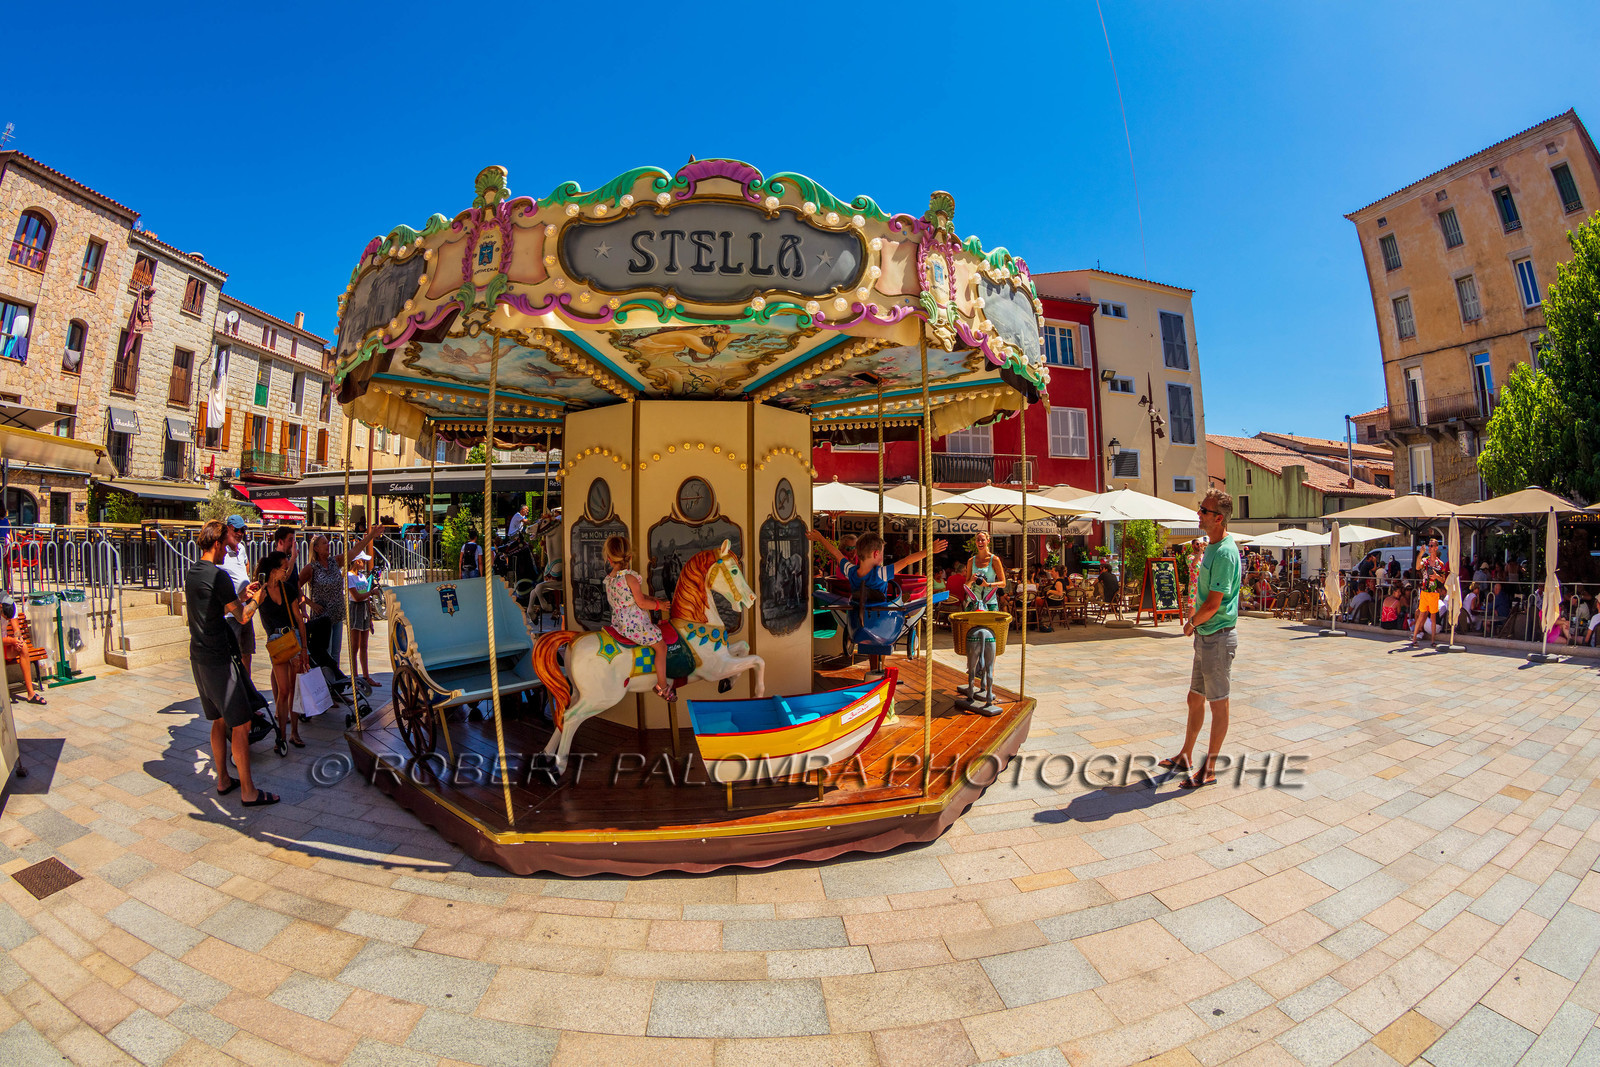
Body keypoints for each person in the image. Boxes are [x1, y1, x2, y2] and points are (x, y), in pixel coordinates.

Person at [186, 520, 276, 806]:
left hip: (199, 656)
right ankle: (249, 791)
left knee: (218, 720)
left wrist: (241, 597)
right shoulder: (218, 575)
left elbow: (219, 607)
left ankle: (223, 779)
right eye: (228, 545)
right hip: (220, 659)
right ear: (217, 544)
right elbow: (243, 617)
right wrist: (258, 598)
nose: (231, 551)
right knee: (241, 723)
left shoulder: (193, 573)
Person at [1161, 489, 1241, 790]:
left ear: (1218, 518)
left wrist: (1191, 622)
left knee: (1218, 703)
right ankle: (1185, 755)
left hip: (1217, 637)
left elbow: (1214, 605)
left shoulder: (1223, 553)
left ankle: (1209, 768)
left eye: (1204, 511)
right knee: (1195, 697)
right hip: (1207, 636)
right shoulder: (1211, 546)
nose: (1199, 514)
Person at [299, 524, 380, 674]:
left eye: (328, 542)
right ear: (315, 548)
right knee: (325, 653)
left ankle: (336, 687)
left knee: (335, 653)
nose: (328, 545)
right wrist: (309, 603)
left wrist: (370, 536)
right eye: (324, 543)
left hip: (337, 616)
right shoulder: (311, 568)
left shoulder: (334, 562)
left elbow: (354, 551)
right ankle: (327, 687)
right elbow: (295, 587)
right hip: (322, 618)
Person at [603, 534, 675, 700]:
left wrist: (653, 599)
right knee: (661, 647)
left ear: (609, 559)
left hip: (619, 623)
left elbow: (633, 596)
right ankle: (662, 686)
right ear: (630, 556)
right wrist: (660, 606)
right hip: (634, 624)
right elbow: (641, 603)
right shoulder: (631, 578)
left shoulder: (611, 579)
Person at [255, 551, 310, 752]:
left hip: (291, 638)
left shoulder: (288, 589)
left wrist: (304, 648)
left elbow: (299, 620)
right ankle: (282, 736)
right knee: (283, 690)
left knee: (294, 690)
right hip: (276, 643)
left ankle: (294, 732)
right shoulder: (261, 592)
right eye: (284, 568)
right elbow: (248, 609)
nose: (286, 572)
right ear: (273, 570)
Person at [809, 530, 946, 602]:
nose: (882, 557)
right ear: (876, 554)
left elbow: (837, 554)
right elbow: (906, 561)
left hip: (858, 607)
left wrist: (821, 538)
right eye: (882, 553)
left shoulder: (851, 570)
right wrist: (930, 551)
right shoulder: (881, 573)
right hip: (879, 611)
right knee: (899, 600)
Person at [219, 516, 256, 676]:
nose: (240, 533)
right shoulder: (222, 551)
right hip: (231, 612)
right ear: (228, 529)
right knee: (232, 653)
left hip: (245, 608)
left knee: (247, 651)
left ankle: (247, 686)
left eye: (243, 530)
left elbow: (246, 565)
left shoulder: (241, 548)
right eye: (237, 530)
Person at [2, 600, 44, 704]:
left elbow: (16, 629)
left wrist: (18, 640)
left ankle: (31, 694)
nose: (7, 620)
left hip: (4, 645)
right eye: (5, 617)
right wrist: (12, 641)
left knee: (23, 647)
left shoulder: (10, 604)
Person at [347, 552, 379, 687]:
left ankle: (366, 676)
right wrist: (371, 592)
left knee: (364, 645)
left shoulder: (362, 576)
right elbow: (356, 597)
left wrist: (370, 617)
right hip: (355, 608)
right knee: (354, 646)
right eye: (362, 561)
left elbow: (365, 599)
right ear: (356, 561)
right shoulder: (349, 577)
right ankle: (355, 676)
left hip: (364, 610)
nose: (365, 563)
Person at [1410, 538, 1447, 648]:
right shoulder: (1425, 560)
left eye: (1431, 546)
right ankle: (1414, 639)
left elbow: (1443, 579)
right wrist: (1420, 554)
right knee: (1421, 615)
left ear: (1436, 547)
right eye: (1429, 545)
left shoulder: (1440, 564)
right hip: (1425, 592)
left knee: (1433, 617)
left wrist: (1437, 576)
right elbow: (1417, 567)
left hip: (1434, 593)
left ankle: (1432, 641)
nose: (1429, 548)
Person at [961, 531, 1006, 611]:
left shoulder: (994, 560)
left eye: (983, 540)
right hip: (973, 602)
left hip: (990, 602)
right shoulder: (971, 561)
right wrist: (971, 580)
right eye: (978, 540)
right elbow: (966, 586)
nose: (980, 542)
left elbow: (1003, 583)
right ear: (975, 542)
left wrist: (987, 584)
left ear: (988, 541)